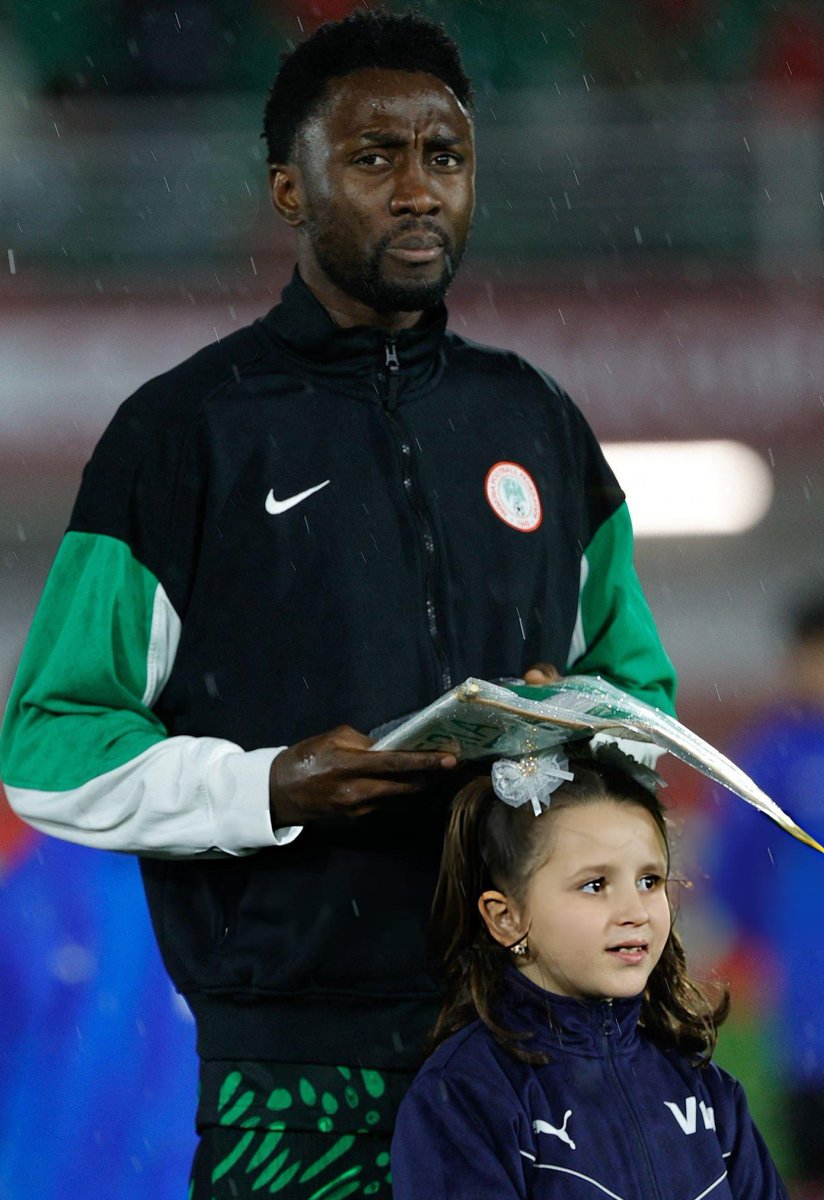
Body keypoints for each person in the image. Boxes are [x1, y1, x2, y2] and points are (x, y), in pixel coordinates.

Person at [0, 9, 676, 1198]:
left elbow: (642, 700)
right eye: (374, 159)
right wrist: (270, 788)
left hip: (536, 1050)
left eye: (445, 158)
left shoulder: (537, 425)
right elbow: (49, 749)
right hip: (294, 1080)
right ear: (288, 189)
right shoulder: (179, 437)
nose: (418, 191)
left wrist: (576, 725)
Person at [391, 747, 788, 1199]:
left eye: (649, 881)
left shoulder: (710, 1091)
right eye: (595, 885)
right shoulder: (464, 1095)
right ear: (506, 918)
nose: (634, 911)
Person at [704, 593, 824, 1199]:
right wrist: (756, 942)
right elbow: (736, 861)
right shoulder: (772, 753)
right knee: (809, 1144)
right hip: (807, 988)